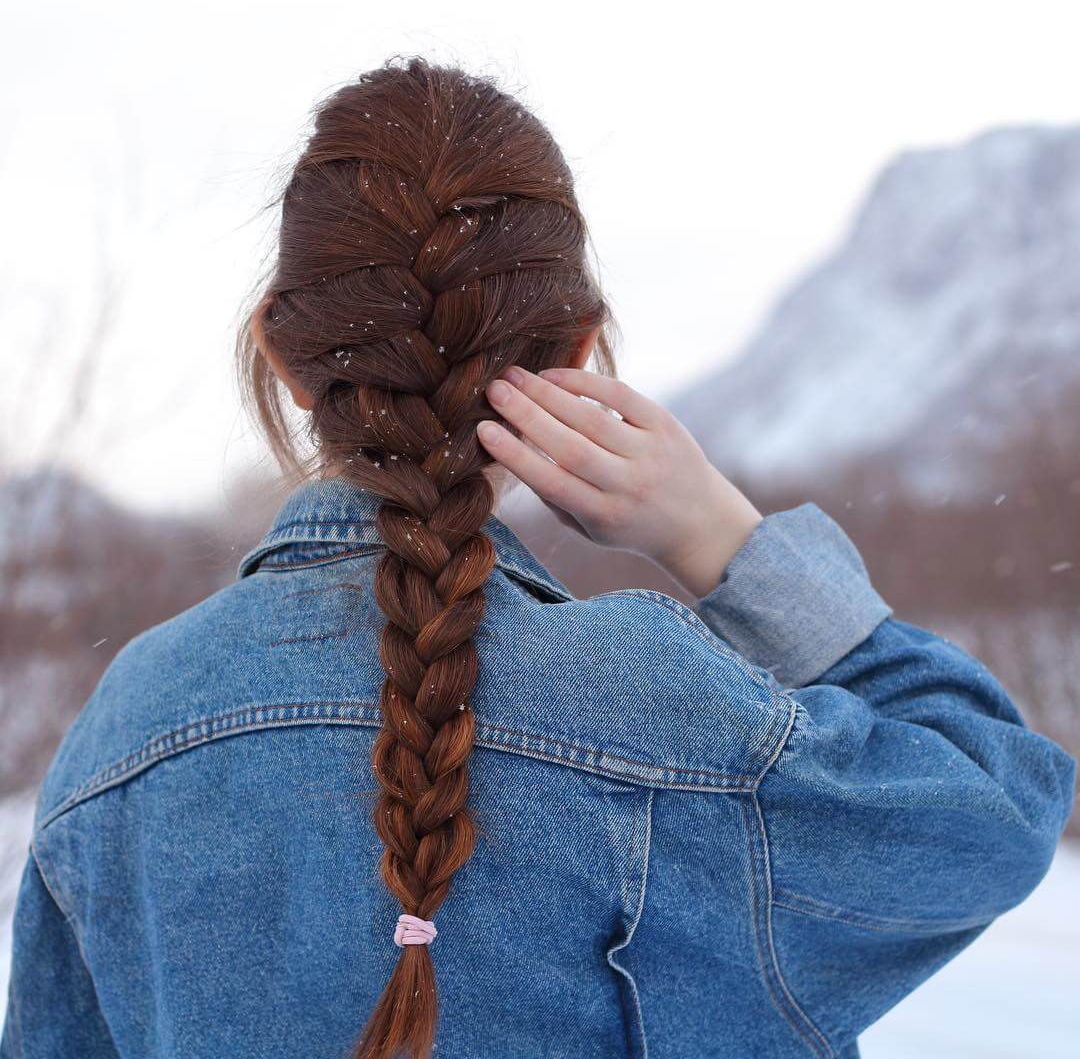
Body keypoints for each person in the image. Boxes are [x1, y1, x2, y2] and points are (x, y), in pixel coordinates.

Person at [2, 57, 1074, 1059]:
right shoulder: (669, 705)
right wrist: (719, 536)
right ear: (572, 352)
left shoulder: (120, 733)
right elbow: (999, 809)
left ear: (283, 355)